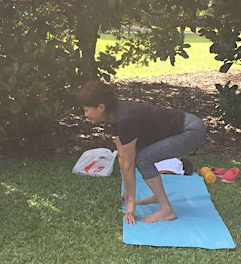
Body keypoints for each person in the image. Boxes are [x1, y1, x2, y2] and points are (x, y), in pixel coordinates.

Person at [76, 79, 206, 224]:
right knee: (140, 157)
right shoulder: (115, 116)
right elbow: (123, 157)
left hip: (191, 131)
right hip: (184, 129)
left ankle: (167, 210)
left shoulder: (125, 118)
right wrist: (127, 191)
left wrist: (130, 205)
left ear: (100, 107)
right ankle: (158, 197)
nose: (85, 115)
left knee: (143, 159)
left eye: (87, 110)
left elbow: (130, 163)